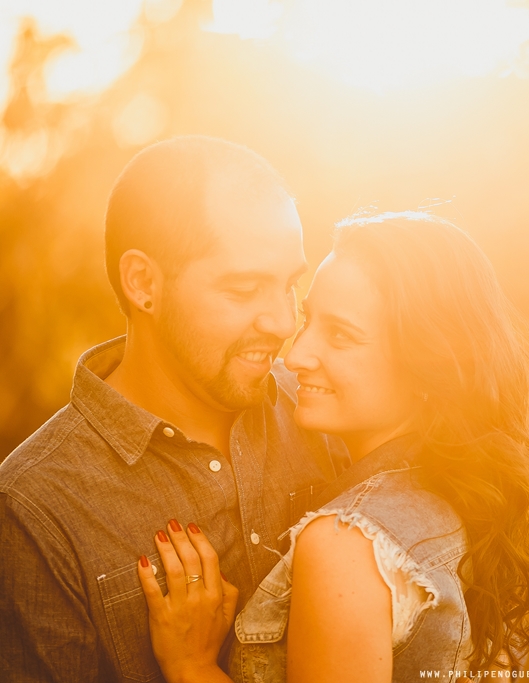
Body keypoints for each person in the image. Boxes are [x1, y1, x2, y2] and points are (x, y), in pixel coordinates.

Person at [135, 212, 529, 682]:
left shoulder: (346, 546)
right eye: (308, 320)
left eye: (341, 336)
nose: (295, 356)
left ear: (428, 366)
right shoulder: (464, 492)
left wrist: (190, 665)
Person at [0, 136, 344, 683]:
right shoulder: (36, 510)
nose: (281, 322)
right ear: (144, 284)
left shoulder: (324, 411)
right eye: (243, 288)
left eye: (289, 286)